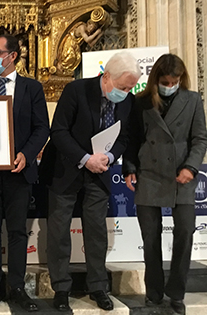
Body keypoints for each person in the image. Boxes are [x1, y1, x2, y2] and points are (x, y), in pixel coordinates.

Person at [40, 51, 141, 313]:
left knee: (96, 233)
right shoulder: (76, 90)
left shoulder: (128, 101)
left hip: (101, 171)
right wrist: (86, 159)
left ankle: (98, 286)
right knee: (59, 231)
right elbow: (58, 131)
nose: (127, 92)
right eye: (123, 87)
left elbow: (124, 138)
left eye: (131, 88)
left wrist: (108, 156)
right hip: (66, 169)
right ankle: (61, 288)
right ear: (106, 77)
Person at [122, 54, 207, 315]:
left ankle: (176, 293)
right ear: (156, 79)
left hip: (182, 176)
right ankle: (154, 292)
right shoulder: (141, 102)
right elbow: (132, 139)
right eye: (165, 81)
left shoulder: (192, 100)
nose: (170, 84)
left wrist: (191, 168)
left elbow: (200, 138)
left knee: (185, 231)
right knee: (150, 238)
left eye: (175, 80)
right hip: (149, 174)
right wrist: (130, 168)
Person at [0, 34, 50, 312]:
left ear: (12, 55)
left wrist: (26, 155)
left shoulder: (32, 88)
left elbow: (42, 128)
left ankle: (16, 287)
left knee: (17, 232)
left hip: (18, 171)